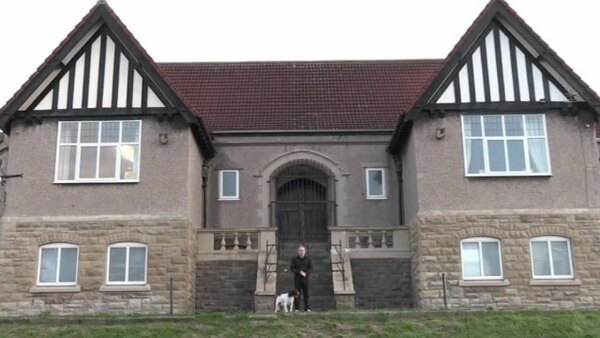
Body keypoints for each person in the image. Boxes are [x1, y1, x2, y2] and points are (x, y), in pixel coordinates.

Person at [290, 244, 312, 312]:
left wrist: (306, 273)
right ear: (298, 251)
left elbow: (311, 268)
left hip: (306, 279)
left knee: (306, 294)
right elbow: (292, 268)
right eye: (300, 250)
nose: (301, 252)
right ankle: (297, 308)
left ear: (305, 251)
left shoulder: (308, 259)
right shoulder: (294, 259)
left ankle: (307, 308)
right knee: (297, 294)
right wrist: (299, 272)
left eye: (303, 250)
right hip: (297, 279)